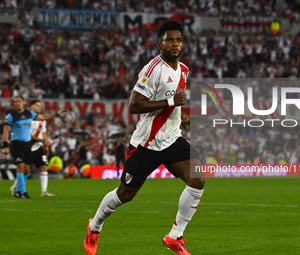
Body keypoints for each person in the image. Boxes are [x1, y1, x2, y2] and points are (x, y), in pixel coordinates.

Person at [84, 20, 205, 255]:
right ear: (159, 43)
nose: (174, 44)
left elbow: (174, 100)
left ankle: (175, 236)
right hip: (147, 144)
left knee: (197, 179)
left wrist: (180, 114)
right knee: (125, 195)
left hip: (172, 139)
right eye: (169, 39)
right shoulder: (152, 69)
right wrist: (172, 103)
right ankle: (94, 225)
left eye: (178, 40)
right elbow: (134, 105)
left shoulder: (184, 70)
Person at [2, 95, 65, 198]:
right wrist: (5, 146)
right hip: (17, 144)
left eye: (19, 101)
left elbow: (43, 117)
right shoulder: (11, 116)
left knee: (27, 169)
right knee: (21, 167)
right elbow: (6, 131)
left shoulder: (29, 114)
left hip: (28, 145)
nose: (17, 103)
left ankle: (18, 189)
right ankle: (23, 192)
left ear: (23, 102)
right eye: (15, 101)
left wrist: (56, 114)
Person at [10, 100, 56, 197]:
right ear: (31, 107)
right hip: (27, 147)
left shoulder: (42, 120)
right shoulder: (27, 118)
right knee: (25, 170)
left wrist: (45, 145)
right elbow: (27, 135)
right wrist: (42, 141)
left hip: (38, 147)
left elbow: (43, 132)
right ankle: (15, 187)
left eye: (40, 106)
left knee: (44, 166)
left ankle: (44, 191)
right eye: (37, 105)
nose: (39, 107)